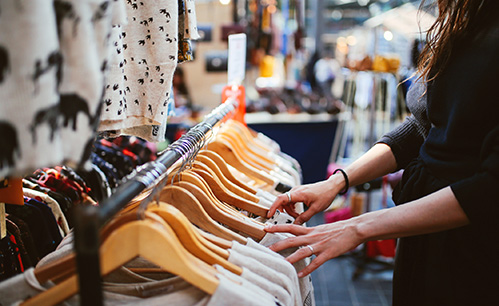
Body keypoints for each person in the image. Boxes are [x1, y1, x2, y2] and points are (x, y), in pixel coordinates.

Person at [264, 1, 499, 305]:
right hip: (423, 232)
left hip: (473, 246)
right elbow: (425, 125)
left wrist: (358, 227)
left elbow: (491, 188)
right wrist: (337, 182)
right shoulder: (463, 22)